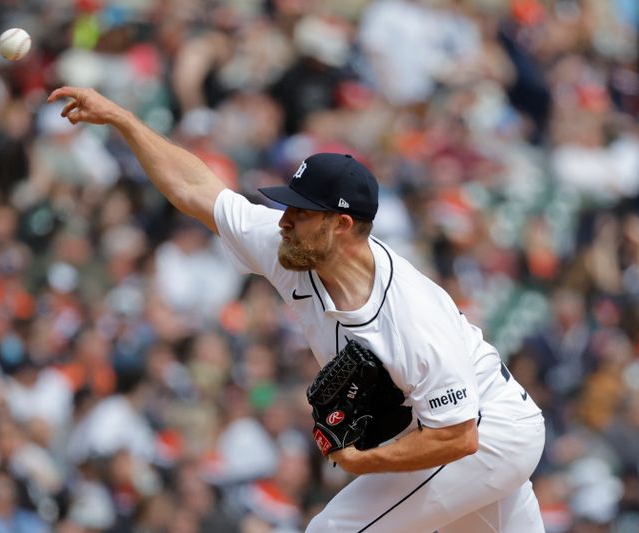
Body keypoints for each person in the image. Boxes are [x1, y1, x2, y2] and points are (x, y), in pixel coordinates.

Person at [47, 87, 546, 532]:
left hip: (486, 432)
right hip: (456, 432)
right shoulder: (288, 248)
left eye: (302, 212)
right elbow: (197, 190)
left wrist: (362, 460)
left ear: (342, 227)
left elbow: (458, 437)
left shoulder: (408, 313)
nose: (285, 220)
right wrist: (124, 120)